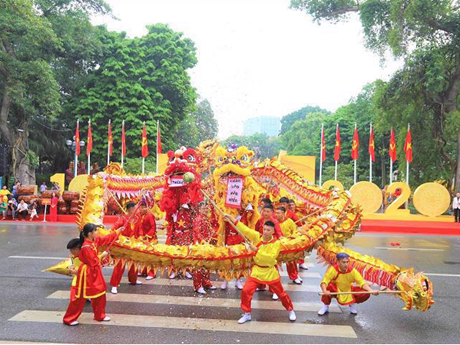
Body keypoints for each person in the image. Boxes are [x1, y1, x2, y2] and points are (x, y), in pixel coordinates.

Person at [223, 214, 296, 324]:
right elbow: (244, 229)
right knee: (246, 291)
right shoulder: (257, 237)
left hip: (270, 272)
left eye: (268, 230)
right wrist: (231, 218)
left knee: (281, 294)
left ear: (272, 231)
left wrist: (255, 250)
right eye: (264, 229)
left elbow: (270, 258)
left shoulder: (276, 243)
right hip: (257, 271)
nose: (265, 231)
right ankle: (247, 313)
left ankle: (290, 310)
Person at [63, 223, 120, 326]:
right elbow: (92, 261)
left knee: (100, 293)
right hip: (87, 272)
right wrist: (101, 256)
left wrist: (118, 232)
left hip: (95, 271)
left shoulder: (94, 241)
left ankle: (100, 315)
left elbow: (105, 239)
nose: (97, 232)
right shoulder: (85, 246)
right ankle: (69, 319)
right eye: (96, 231)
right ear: (90, 233)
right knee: (79, 297)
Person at [109, 202, 142, 294]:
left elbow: (139, 230)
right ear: (131, 209)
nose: (137, 210)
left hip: (133, 244)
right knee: (119, 265)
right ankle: (114, 285)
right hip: (122, 245)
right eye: (136, 208)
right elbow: (113, 229)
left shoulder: (137, 218)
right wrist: (119, 230)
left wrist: (141, 238)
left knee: (133, 263)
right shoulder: (123, 219)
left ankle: (133, 280)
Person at [192, 202, 217, 294]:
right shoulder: (198, 219)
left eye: (207, 208)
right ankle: (198, 286)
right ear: (199, 209)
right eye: (203, 208)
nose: (206, 210)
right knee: (199, 266)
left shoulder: (206, 218)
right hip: (200, 246)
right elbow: (198, 233)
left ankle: (206, 282)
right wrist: (204, 242)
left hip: (207, 246)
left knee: (207, 265)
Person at [274, 206, 302, 285]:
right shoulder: (273, 222)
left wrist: (292, 240)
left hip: (288, 245)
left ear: (283, 213)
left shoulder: (289, 221)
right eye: (275, 213)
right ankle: (275, 280)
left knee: (291, 262)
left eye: (278, 213)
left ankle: (294, 276)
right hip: (277, 245)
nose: (276, 215)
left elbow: (295, 232)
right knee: (275, 263)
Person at [135, 202, 157, 280]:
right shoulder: (141, 215)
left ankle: (151, 273)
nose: (140, 209)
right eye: (140, 208)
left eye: (142, 208)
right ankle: (143, 270)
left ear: (146, 208)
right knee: (143, 255)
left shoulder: (150, 215)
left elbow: (153, 227)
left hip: (150, 239)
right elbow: (139, 227)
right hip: (143, 238)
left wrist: (147, 236)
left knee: (150, 257)